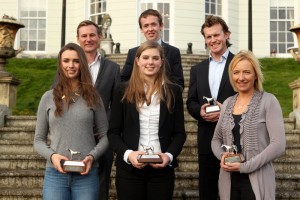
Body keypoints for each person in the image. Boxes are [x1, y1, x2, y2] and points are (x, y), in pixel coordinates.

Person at [108, 41, 186, 200]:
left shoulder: (174, 92)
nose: (150, 62)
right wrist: (129, 155)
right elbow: (113, 132)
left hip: (162, 171)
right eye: (146, 57)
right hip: (129, 170)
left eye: (155, 58)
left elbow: (179, 133)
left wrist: (169, 156)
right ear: (137, 61)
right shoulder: (122, 90)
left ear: (161, 62)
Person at [34, 43, 109, 200]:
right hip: (55, 175)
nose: (71, 65)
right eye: (66, 61)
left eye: (76, 61)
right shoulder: (48, 97)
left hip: (86, 174)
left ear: (82, 63)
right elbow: (38, 140)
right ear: (60, 64)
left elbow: (105, 136)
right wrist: (53, 156)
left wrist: (92, 156)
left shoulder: (94, 97)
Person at [211, 50, 286, 200]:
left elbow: (278, 144)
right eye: (236, 72)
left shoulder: (269, 101)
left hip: (257, 179)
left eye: (247, 72)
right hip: (229, 179)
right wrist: (223, 157)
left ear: (255, 75)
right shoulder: (227, 103)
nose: (241, 77)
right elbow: (216, 139)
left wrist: (245, 166)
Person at [186, 15, 236, 200]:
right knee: (207, 190)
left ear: (226, 35)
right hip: (206, 137)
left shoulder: (239, 64)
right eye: (208, 37)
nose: (213, 40)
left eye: (216, 35)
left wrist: (227, 110)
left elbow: (250, 98)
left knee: (233, 189)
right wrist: (199, 111)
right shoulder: (197, 69)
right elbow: (190, 102)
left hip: (235, 137)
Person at [76, 20, 120, 200]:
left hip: (103, 135)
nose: (88, 39)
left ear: (100, 37)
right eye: (84, 36)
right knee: (76, 181)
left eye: (92, 35)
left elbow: (118, 104)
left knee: (102, 182)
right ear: (78, 39)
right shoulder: (69, 65)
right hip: (75, 134)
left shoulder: (113, 68)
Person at [121, 9, 184, 90]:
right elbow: (123, 80)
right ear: (141, 29)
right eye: (146, 26)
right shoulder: (133, 53)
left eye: (153, 24)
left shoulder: (173, 52)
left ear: (161, 26)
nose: (150, 29)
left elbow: (179, 83)